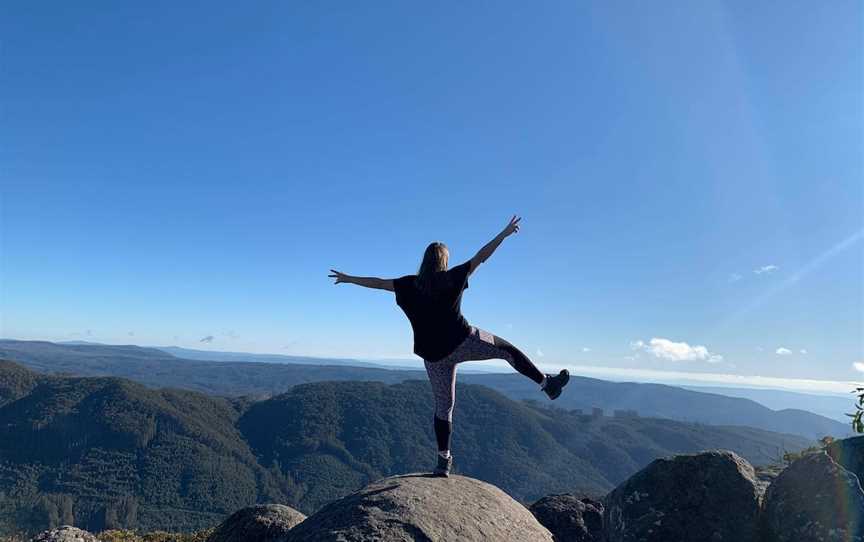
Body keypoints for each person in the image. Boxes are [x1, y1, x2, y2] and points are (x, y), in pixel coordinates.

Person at [328, 215, 570, 477]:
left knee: (444, 406)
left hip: (433, 356)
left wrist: (349, 278)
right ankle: (547, 384)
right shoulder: (453, 277)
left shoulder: (407, 285)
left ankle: (443, 462)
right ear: (444, 260)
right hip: (464, 341)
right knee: (508, 351)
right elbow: (482, 256)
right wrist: (504, 234)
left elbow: (377, 283)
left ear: (424, 261)